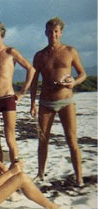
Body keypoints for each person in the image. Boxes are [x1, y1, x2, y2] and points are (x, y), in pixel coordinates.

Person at [30, 17, 86, 186]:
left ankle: (79, 178)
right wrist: (32, 103)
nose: (53, 34)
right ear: (45, 33)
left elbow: (82, 74)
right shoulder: (39, 55)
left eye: (56, 31)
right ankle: (40, 174)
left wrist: (73, 82)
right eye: (50, 31)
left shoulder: (70, 51)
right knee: (43, 139)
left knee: (71, 139)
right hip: (46, 102)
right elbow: (34, 81)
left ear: (61, 32)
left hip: (66, 100)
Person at [0, 22, 35, 165]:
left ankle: (16, 170)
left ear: (2, 36)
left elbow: (31, 69)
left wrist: (22, 92)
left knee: (10, 137)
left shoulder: (11, 52)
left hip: (7, 97)